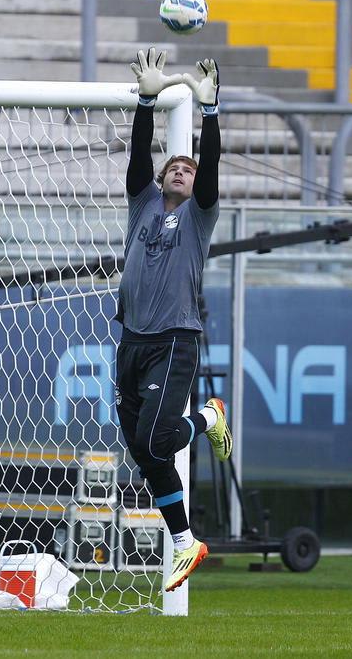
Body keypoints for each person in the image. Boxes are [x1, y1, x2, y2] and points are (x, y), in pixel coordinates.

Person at [114, 48, 232, 592]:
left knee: (159, 440)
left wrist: (210, 114)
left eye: (188, 168)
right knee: (144, 453)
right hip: (132, 339)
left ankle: (209, 418)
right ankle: (185, 542)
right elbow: (139, 160)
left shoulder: (198, 216)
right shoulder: (143, 206)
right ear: (162, 179)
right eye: (174, 167)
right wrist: (146, 101)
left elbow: (208, 179)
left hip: (174, 340)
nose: (181, 172)